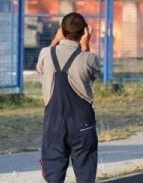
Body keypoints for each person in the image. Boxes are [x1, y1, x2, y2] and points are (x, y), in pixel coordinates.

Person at [36, 11, 102, 183]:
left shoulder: (45, 53)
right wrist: (85, 46)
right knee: (85, 170)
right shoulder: (89, 58)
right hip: (82, 123)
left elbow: (40, 69)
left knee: (53, 173)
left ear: (61, 31)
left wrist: (56, 40)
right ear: (84, 33)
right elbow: (94, 73)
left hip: (53, 122)